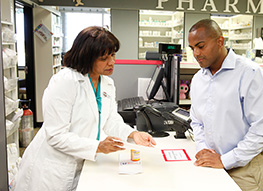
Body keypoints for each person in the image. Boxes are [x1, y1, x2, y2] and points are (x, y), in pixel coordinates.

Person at [14, 26, 156, 191]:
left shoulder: (107, 83)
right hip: (53, 168)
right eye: (104, 58)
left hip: (83, 161)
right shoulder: (64, 81)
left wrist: (133, 134)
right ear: (86, 57)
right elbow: (55, 135)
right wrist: (97, 147)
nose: (112, 62)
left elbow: (110, 119)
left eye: (112, 55)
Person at [188, 19, 263, 191]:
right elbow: (196, 121)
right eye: (192, 48)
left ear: (220, 41)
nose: (196, 53)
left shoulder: (250, 74)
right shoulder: (198, 79)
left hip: (244, 168)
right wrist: (203, 148)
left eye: (201, 46)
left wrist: (226, 160)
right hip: (211, 162)